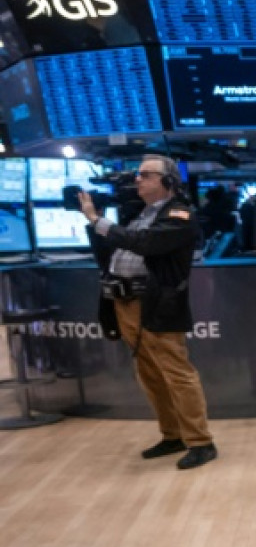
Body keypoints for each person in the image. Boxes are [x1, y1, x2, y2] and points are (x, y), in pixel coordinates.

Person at [79, 154, 218, 470]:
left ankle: (201, 441)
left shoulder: (179, 214)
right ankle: (173, 435)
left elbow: (147, 245)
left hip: (156, 304)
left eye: (146, 175)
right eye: (138, 175)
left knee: (176, 373)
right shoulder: (140, 214)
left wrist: (97, 220)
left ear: (167, 182)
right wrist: (97, 223)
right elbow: (113, 251)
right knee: (150, 374)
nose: (137, 180)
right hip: (124, 302)